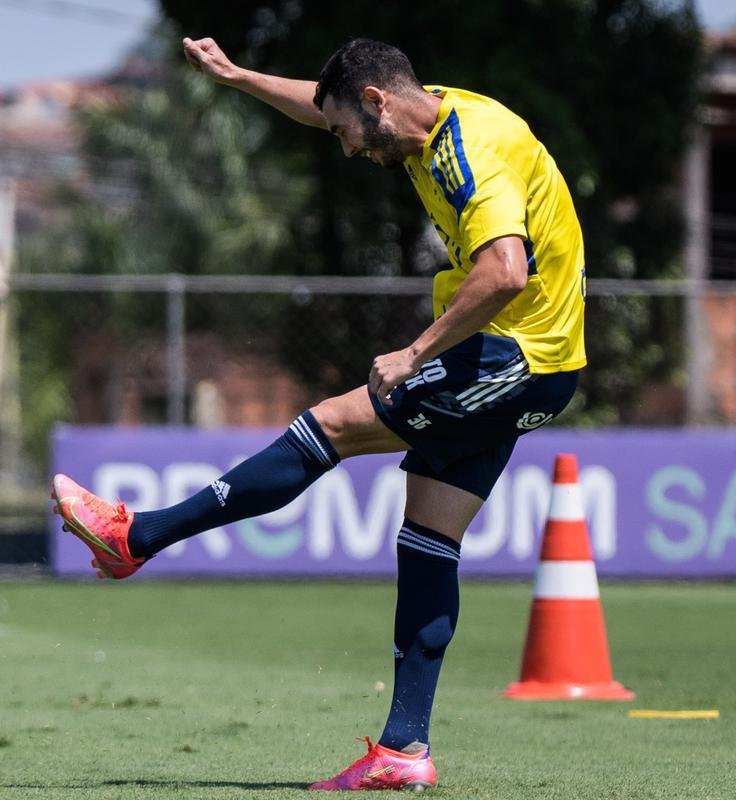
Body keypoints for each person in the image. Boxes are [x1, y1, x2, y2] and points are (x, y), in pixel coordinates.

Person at [51, 36, 586, 792]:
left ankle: (136, 537)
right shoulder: (422, 112)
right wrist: (239, 77)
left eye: (344, 133)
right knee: (427, 541)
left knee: (331, 425)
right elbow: (324, 101)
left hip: (512, 360)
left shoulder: (470, 150)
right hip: (528, 363)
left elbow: (505, 271)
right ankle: (403, 752)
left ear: (377, 104)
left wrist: (414, 353)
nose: (344, 150)